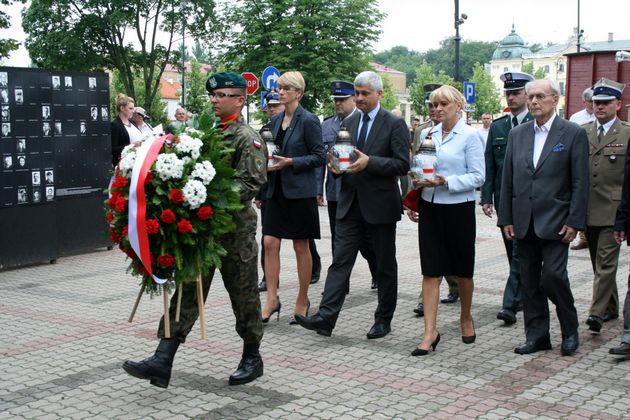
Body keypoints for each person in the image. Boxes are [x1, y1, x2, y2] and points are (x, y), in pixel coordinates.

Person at [122, 71, 268, 388]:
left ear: (240, 100)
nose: (214, 100)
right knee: (187, 293)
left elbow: (250, 183)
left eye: (222, 95)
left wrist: (208, 192)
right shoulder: (207, 133)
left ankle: (252, 355)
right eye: (213, 95)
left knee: (243, 296)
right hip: (202, 231)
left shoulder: (248, 137)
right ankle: (163, 359)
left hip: (234, 233)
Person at [295, 71, 409, 339]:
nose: (359, 98)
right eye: (356, 93)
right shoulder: (349, 122)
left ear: (379, 94)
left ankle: (383, 319)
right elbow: (342, 157)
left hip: (380, 206)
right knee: (340, 262)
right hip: (349, 204)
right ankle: (326, 317)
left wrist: (372, 162)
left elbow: (402, 164)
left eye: (365, 93)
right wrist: (336, 166)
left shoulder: (394, 123)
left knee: (384, 265)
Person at [498, 79, 588, 356]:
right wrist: (506, 218)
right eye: (531, 96)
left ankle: (569, 331)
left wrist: (575, 221)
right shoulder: (518, 134)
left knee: (553, 277)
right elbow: (508, 180)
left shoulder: (572, 133)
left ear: (555, 100)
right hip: (524, 220)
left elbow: (581, 182)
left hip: (557, 221)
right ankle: (537, 336)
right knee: (528, 281)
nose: (534, 101)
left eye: (540, 96)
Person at [409, 85, 485, 356]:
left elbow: (478, 176)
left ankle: (466, 317)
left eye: (444, 104)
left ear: (458, 106)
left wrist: (447, 181)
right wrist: (416, 187)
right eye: (435, 104)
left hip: (459, 208)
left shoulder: (470, 136)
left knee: (463, 270)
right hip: (431, 206)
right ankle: (430, 332)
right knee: (431, 270)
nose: (438, 109)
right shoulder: (428, 133)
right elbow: (420, 165)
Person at [261, 71, 325, 325]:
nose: (281, 92)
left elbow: (319, 156)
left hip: (300, 192)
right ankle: (272, 299)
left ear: (298, 92)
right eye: (279, 88)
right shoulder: (275, 122)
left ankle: (302, 298)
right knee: (269, 242)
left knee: (301, 245)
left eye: (286, 88)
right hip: (275, 190)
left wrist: (292, 162)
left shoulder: (308, 120)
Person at [481, 71, 534, 326]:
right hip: (505, 200)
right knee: (513, 251)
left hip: (529, 200)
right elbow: (490, 164)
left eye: (516, 93)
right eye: (508, 94)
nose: (511, 98)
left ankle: (509, 304)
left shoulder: (537, 122)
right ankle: (525, 295)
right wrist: (486, 197)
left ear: (527, 94)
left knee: (518, 253)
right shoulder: (499, 126)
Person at [317, 80, 378, 291]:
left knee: (366, 241)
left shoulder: (362, 124)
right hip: (335, 191)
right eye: (336, 100)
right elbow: (321, 161)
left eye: (343, 99)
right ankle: (340, 284)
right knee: (338, 239)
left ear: (353, 99)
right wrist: (318, 190)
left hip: (359, 191)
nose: (338, 104)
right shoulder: (326, 125)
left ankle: (376, 271)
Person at [407, 83, 460, 316]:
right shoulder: (423, 131)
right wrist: (412, 198)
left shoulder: (463, 132)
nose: (433, 109)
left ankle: (456, 285)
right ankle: (424, 299)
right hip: (428, 197)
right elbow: (417, 164)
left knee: (448, 250)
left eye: (439, 104)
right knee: (432, 254)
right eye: (430, 105)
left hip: (452, 200)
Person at [582, 78, 629, 334]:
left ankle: (596, 314)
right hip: (588, 209)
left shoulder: (627, 133)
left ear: (618, 105)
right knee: (596, 263)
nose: (599, 107)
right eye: (596, 103)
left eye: (605, 103)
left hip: (613, 210)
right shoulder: (583, 131)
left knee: (606, 264)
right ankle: (610, 307)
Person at [569, 87, 596, 251]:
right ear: (584, 101)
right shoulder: (576, 118)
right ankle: (583, 237)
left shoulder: (602, 116)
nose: (594, 105)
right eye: (591, 102)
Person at [110, 93, 142, 166]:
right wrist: (132, 145)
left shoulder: (133, 122)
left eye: (133, 108)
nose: (133, 111)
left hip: (138, 161)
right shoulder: (115, 125)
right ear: (122, 108)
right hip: (125, 164)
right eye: (130, 108)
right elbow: (113, 149)